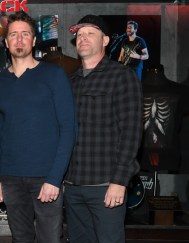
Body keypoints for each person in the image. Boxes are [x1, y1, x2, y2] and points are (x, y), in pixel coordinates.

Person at [0, 11, 76, 243]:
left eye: (25, 34)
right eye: (14, 35)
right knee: (21, 239)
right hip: (10, 178)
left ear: (34, 40)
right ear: (6, 42)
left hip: (45, 177)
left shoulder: (54, 75)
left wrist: (54, 178)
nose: (19, 40)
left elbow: (68, 129)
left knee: (50, 239)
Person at [65, 15, 143, 243]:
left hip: (105, 186)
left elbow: (131, 132)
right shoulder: (72, 81)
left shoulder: (122, 76)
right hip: (72, 185)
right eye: (79, 35)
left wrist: (119, 181)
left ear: (106, 40)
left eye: (91, 33)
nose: (83, 38)